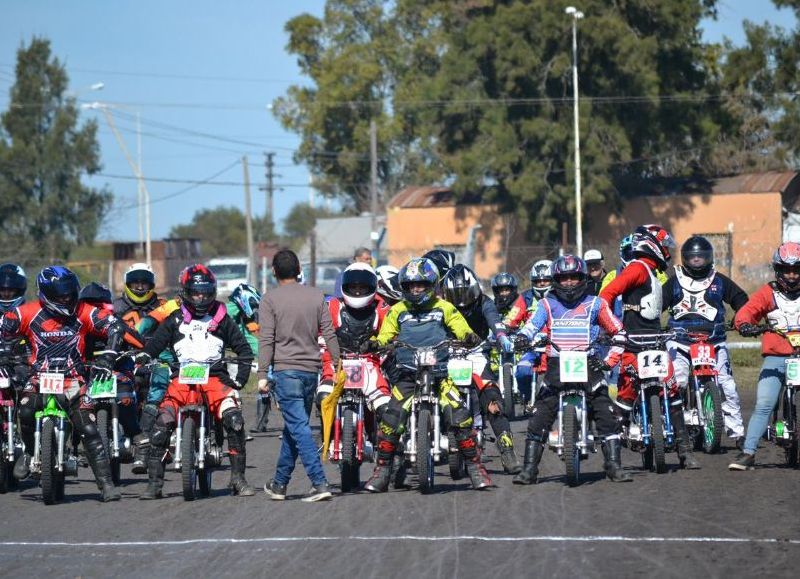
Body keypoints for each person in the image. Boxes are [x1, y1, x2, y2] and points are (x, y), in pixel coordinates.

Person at [3, 266, 131, 501]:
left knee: (89, 428)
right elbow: (3, 328)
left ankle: (106, 485)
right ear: (45, 294)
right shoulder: (26, 313)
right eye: (60, 295)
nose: (66, 299)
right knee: (25, 410)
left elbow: (114, 326)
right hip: (39, 378)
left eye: (69, 294)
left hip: (74, 381)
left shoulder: (84, 311)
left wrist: (108, 356)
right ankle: (30, 453)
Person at [361, 257, 490, 492]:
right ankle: (382, 472)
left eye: (420, 284)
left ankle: (474, 468)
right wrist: (375, 344)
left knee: (461, 417)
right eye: (410, 286)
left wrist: (468, 336)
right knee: (390, 421)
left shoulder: (444, 307)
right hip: (408, 375)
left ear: (431, 285)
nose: (415, 289)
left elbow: (460, 326)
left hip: (441, 376)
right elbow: (385, 335)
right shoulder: (398, 310)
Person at [137, 264, 255, 499]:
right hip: (180, 380)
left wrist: (240, 380)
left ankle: (238, 480)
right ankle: (154, 484)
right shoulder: (174, 319)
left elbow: (243, 349)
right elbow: (154, 346)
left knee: (235, 421)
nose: (201, 298)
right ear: (186, 293)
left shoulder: (223, 318)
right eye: (195, 293)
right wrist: (144, 356)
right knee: (161, 426)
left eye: (205, 292)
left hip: (215, 380)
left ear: (212, 291)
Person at [513, 255, 631, 484]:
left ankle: (614, 465)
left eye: (574, 277)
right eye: (564, 278)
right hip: (556, 365)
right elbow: (531, 326)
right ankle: (529, 470)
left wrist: (608, 361)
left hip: (589, 363)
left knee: (605, 411)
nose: (568, 282)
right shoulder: (547, 303)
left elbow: (619, 332)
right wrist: (521, 338)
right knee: (539, 415)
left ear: (583, 278)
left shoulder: (596, 304)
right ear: (556, 279)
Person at [600, 224, 700, 470]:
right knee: (625, 396)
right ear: (651, 245)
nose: (667, 252)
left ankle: (684, 450)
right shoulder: (638, 269)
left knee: (672, 392)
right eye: (665, 246)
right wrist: (615, 327)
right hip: (633, 343)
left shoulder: (652, 272)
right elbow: (606, 295)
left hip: (653, 340)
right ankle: (612, 457)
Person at [259, 249, 339, 502]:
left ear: (274, 271)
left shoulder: (269, 299)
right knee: (296, 427)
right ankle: (279, 484)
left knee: (299, 427)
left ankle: (319, 482)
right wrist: (337, 363)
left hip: (286, 371)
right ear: (298, 270)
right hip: (311, 372)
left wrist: (262, 373)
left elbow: (266, 340)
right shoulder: (316, 296)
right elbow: (329, 332)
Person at [664, 235, 748, 448]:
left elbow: (741, 299)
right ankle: (673, 429)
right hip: (680, 342)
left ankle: (737, 433)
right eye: (693, 258)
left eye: (701, 258)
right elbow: (656, 305)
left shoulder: (719, 280)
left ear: (709, 258)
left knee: (728, 386)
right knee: (677, 382)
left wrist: (743, 317)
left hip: (714, 341)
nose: (697, 262)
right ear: (686, 259)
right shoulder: (674, 281)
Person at [441, 265, 520, 474]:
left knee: (493, 400)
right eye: (455, 294)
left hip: (477, 355)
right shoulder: (440, 306)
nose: (460, 299)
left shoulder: (485, 303)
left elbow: (495, 321)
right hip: (448, 355)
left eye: (464, 293)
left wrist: (501, 336)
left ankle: (507, 450)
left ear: (474, 289)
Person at [730, 242, 800, 470]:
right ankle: (749, 452)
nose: (791, 275)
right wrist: (745, 325)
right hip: (776, 357)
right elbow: (746, 312)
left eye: (796, 270)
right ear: (778, 270)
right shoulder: (767, 293)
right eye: (787, 270)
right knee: (764, 404)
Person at [79, 282, 148, 473]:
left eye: (98, 305)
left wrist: (141, 352)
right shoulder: (77, 326)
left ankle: (136, 435)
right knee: (76, 402)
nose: (94, 310)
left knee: (126, 397)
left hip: (119, 371)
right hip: (89, 373)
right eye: (88, 305)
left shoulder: (117, 323)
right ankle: (75, 445)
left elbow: (140, 343)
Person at [113, 263, 166, 474]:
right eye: (136, 283)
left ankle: (153, 446)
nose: (140, 287)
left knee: (158, 394)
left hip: (157, 359)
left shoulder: (162, 305)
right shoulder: (115, 307)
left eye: (144, 283)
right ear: (128, 284)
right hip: (125, 358)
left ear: (151, 285)